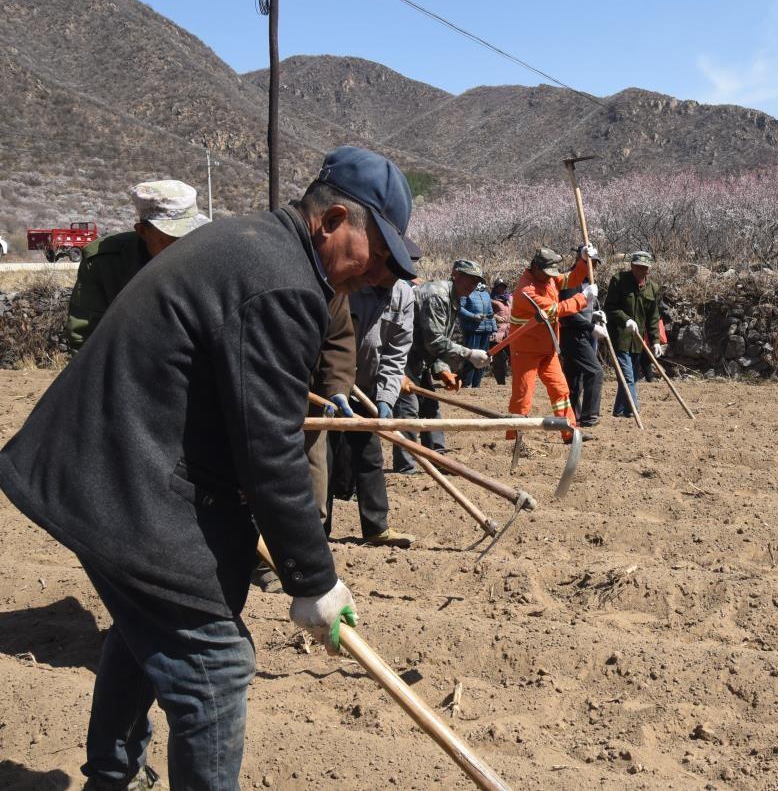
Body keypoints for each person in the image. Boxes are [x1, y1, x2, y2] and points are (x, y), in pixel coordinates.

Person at [0, 145, 418, 790]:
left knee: (144, 634)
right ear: (335, 219)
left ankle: (110, 777)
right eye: (381, 256)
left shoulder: (254, 242)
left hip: (104, 467)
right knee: (214, 668)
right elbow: (270, 447)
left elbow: (239, 426)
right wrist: (314, 579)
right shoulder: (281, 281)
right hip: (122, 479)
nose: (382, 276)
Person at [331, 258, 419, 546]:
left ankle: (376, 527)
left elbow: (396, 353)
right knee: (325, 458)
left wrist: (385, 398)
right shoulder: (351, 286)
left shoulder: (404, 295)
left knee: (370, 457)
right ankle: (318, 531)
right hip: (331, 387)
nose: (395, 280)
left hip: (367, 388)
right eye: (392, 272)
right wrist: (336, 381)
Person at [66, 180, 209, 353]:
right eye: (171, 238)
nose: (182, 246)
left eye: (189, 235)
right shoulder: (104, 263)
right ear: (142, 231)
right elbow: (83, 339)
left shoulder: (209, 253)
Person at [390, 259, 490, 471]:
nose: (472, 285)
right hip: (403, 354)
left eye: (476, 282)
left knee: (430, 406)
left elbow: (437, 341)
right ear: (456, 275)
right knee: (408, 409)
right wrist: (469, 353)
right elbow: (434, 340)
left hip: (421, 358)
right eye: (469, 280)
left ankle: (438, 458)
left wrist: (442, 369)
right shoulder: (437, 295)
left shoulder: (454, 299)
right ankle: (405, 467)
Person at [507, 246, 596, 442]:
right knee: (523, 396)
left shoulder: (546, 279)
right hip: (526, 351)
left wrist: (582, 261)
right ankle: (513, 439)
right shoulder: (526, 291)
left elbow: (569, 279)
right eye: (547, 273)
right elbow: (556, 309)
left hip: (548, 349)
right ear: (535, 267)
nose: (551, 277)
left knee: (561, 390)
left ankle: (570, 433)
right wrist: (583, 298)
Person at [605, 250, 662, 418]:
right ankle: (634, 408)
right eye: (637, 267)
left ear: (648, 269)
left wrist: (656, 340)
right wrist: (625, 320)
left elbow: (653, 317)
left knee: (632, 378)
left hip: (638, 341)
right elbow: (610, 308)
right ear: (631, 266)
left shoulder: (653, 288)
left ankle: (621, 410)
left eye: (643, 268)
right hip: (620, 337)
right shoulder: (618, 281)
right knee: (627, 376)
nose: (640, 270)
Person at [558, 248, 607, 426]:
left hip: (582, 333)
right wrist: (591, 326)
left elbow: (582, 309)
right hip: (572, 334)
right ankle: (589, 416)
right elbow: (567, 314)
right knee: (595, 371)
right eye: (590, 263)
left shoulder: (588, 283)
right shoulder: (570, 281)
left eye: (595, 264)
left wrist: (594, 315)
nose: (593, 267)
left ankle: (572, 416)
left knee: (574, 379)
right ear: (581, 260)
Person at [457, 280, 496, 388]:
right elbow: (460, 309)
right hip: (472, 329)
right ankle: (466, 382)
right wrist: (473, 316)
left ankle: (476, 384)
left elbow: (491, 312)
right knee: (471, 356)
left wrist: (494, 329)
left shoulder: (486, 294)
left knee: (485, 357)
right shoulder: (467, 292)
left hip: (486, 330)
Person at [490, 278, 512, 385]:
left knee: (514, 356)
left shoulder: (510, 299)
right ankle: (500, 382)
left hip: (511, 332)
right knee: (498, 359)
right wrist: (495, 317)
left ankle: (516, 378)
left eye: (503, 286)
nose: (502, 289)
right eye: (499, 286)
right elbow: (486, 313)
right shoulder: (491, 300)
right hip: (497, 332)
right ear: (496, 287)